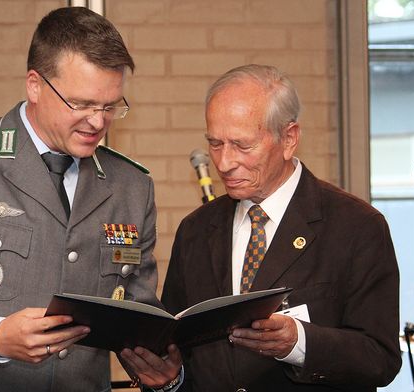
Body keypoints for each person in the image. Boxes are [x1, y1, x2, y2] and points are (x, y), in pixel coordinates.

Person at [0, 7, 181, 392]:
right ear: (35, 85)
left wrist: (166, 375)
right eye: (81, 104)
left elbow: (136, 310)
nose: (97, 122)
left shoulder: (130, 185)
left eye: (110, 107)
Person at [161, 64, 401, 391]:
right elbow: (177, 351)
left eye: (242, 145)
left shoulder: (357, 228)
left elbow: (380, 359)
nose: (224, 163)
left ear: (289, 139)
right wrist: (167, 380)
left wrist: (298, 343)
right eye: (215, 144)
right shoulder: (195, 231)